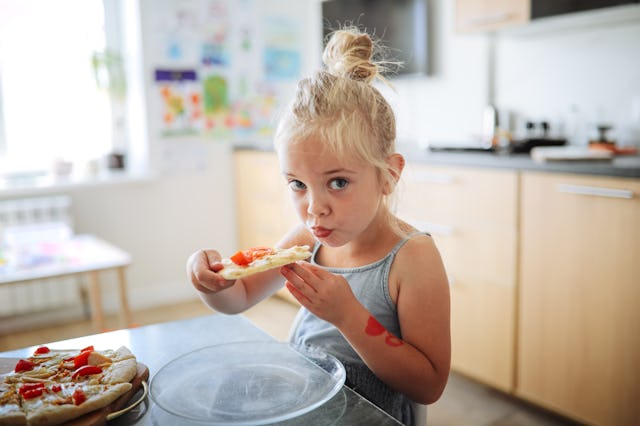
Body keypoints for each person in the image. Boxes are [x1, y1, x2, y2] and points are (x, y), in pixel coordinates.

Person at [187, 26, 451, 425]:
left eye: (338, 182)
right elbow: (238, 298)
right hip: (307, 402)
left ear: (388, 175)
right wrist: (212, 284)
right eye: (297, 184)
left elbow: (429, 384)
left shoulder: (412, 257)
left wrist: (348, 316)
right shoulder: (308, 240)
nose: (314, 209)